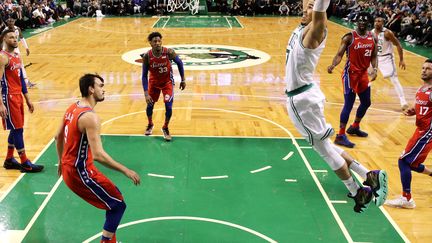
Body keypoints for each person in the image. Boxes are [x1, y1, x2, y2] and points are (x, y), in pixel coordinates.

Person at [285, 0, 387, 213]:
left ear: (322, 13)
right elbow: (312, 7)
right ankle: (368, 174)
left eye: (312, 6)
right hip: (305, 96)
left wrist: (318, 7)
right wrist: (311, 6)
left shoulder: (315, 31)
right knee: (326, 145)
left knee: (323, 150)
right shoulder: (304, 26)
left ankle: (356, 190)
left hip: (301, 101)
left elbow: (320, 11)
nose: (306, 8)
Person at [55, 74, 141, 243]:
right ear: (91, 89)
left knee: (114, 200)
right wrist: (126, 170)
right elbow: (99, 155)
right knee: (117, 205)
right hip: (80, 173)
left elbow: (57, 136)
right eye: (101, 85)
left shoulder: (72, 108)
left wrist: (60, 161)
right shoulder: (90, 117)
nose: (104, 89)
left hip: (69, 168)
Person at [385, 59, 432, 209]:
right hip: (419, 130)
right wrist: (413, 111)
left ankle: (407, 199)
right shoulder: (422, 89)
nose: (424, 70)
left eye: (428, 69)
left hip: (427, 133)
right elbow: (422, 107)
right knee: (411, 163)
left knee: (403, 161)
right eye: (423, 68)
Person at [327, 12, 378, 148]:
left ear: (368, 23)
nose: (362, 23)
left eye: (364, 21)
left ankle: (355, 126)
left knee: (366, 102)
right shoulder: (349, 37)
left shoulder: (372, 38)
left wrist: (375, 69)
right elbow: (339, 54)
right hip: (350, 74)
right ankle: (340, 135)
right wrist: (333, 65)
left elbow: (374, 55)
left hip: (363, 75)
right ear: (356, 22)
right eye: (360, 20)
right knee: (348, 104)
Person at [1, 29, 43, 173]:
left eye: (16, 37)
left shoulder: (17, 56)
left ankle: (9, 159)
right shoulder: (2, 57)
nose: (15, 39)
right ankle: (25, 162)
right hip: (8, 96)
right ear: (4, 39)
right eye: (11, 37)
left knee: (16, 127)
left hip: (18, 95)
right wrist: (1, 104)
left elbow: (21, 80)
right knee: (18, 129)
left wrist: (28, 99)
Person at [141, 31, 186, 141]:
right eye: (154, 41)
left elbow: (180, 63)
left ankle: (165, 127)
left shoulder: (169, 52)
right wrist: (146, 93)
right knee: (150, 106)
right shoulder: (147, 56)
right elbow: (144, 76)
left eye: (159, 40)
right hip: (154, 84)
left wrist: (183, 80)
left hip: (167, 83)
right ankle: (150, 124)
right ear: (150, 43)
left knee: (169, 106)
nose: (157, 43)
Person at [372, 17, 408, 111]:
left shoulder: (387, 33)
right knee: (364, 74)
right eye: (375, 21)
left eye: (379, 21)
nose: (377, 23)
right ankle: (361, 94)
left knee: (394, 80)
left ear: (383, 23)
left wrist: (401, 59)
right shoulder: (371, 32)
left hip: (387, 58)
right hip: (375, 58)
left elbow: (398, 45)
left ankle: (403, 101)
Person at [2, 18, 36, 88]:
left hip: (16, 50)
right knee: (6, 66)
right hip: (7, 50)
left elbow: (22, 38)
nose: (11, 23)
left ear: (14, 22)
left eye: (12, 21)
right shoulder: (5, 31)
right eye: (9, 21)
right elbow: (1, 41)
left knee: (21, 65)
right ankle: (5, 82)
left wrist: (26, 47)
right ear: (7, 22)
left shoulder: (17, 29)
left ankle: (26, 82)